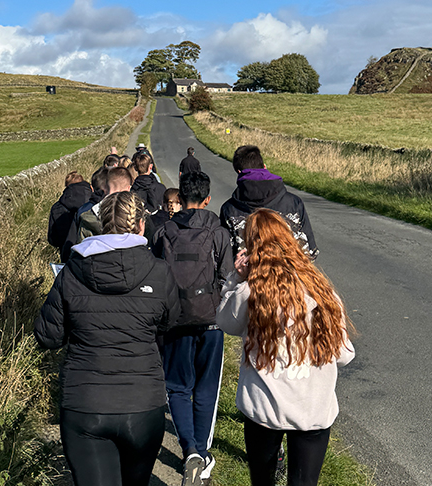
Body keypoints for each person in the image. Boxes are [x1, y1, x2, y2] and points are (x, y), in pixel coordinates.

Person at [35, 191, 181, 486]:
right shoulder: (160, 272)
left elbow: (48, 335)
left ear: (101, 225)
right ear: (141, 225)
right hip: (142, 402)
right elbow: (170, 321)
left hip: (86, 402)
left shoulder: (72, 271)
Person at [216, 209, 355, 486]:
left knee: (262, 481)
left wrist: (236, 279)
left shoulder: (252, 292)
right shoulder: (321, 290)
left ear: (252, 247)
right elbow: (344, 355)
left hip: (264, 408)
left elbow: (225, 322)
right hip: (312, 408)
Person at [152, 172, 233, 486]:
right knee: (206, 390)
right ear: (208, 199)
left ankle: (190, 452)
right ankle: (201, 449)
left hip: (174, 320)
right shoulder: (218, 232)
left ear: (180, 199)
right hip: (212, 321)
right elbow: (228, 278)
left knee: (178, 387)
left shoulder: (163, 231)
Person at [219, 145, 318, 260]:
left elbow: (225, 257)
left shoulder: (229, 209)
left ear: (239, 172)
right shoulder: (293, 203)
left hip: (249, 275)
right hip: (289, 274)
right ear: (264, 167)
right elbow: (310, 251)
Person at [47, 171, 92, 250]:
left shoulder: (57, 208)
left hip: (67, 254)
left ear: (66, 187)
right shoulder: (96, 203)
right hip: (93, 253)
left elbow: (53, 239)